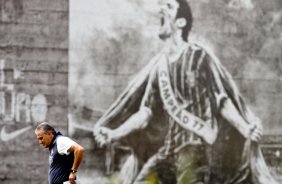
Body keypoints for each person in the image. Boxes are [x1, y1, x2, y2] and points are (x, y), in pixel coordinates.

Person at [94, 0, 277, 183]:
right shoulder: (160, 67)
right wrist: (114, 133)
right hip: (168, 152)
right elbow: (145, 113)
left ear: (181, 22)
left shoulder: (199, 56)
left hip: (195, 150)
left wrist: (246, 129)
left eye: (169, 6)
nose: (162, 8)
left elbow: (221, 101)